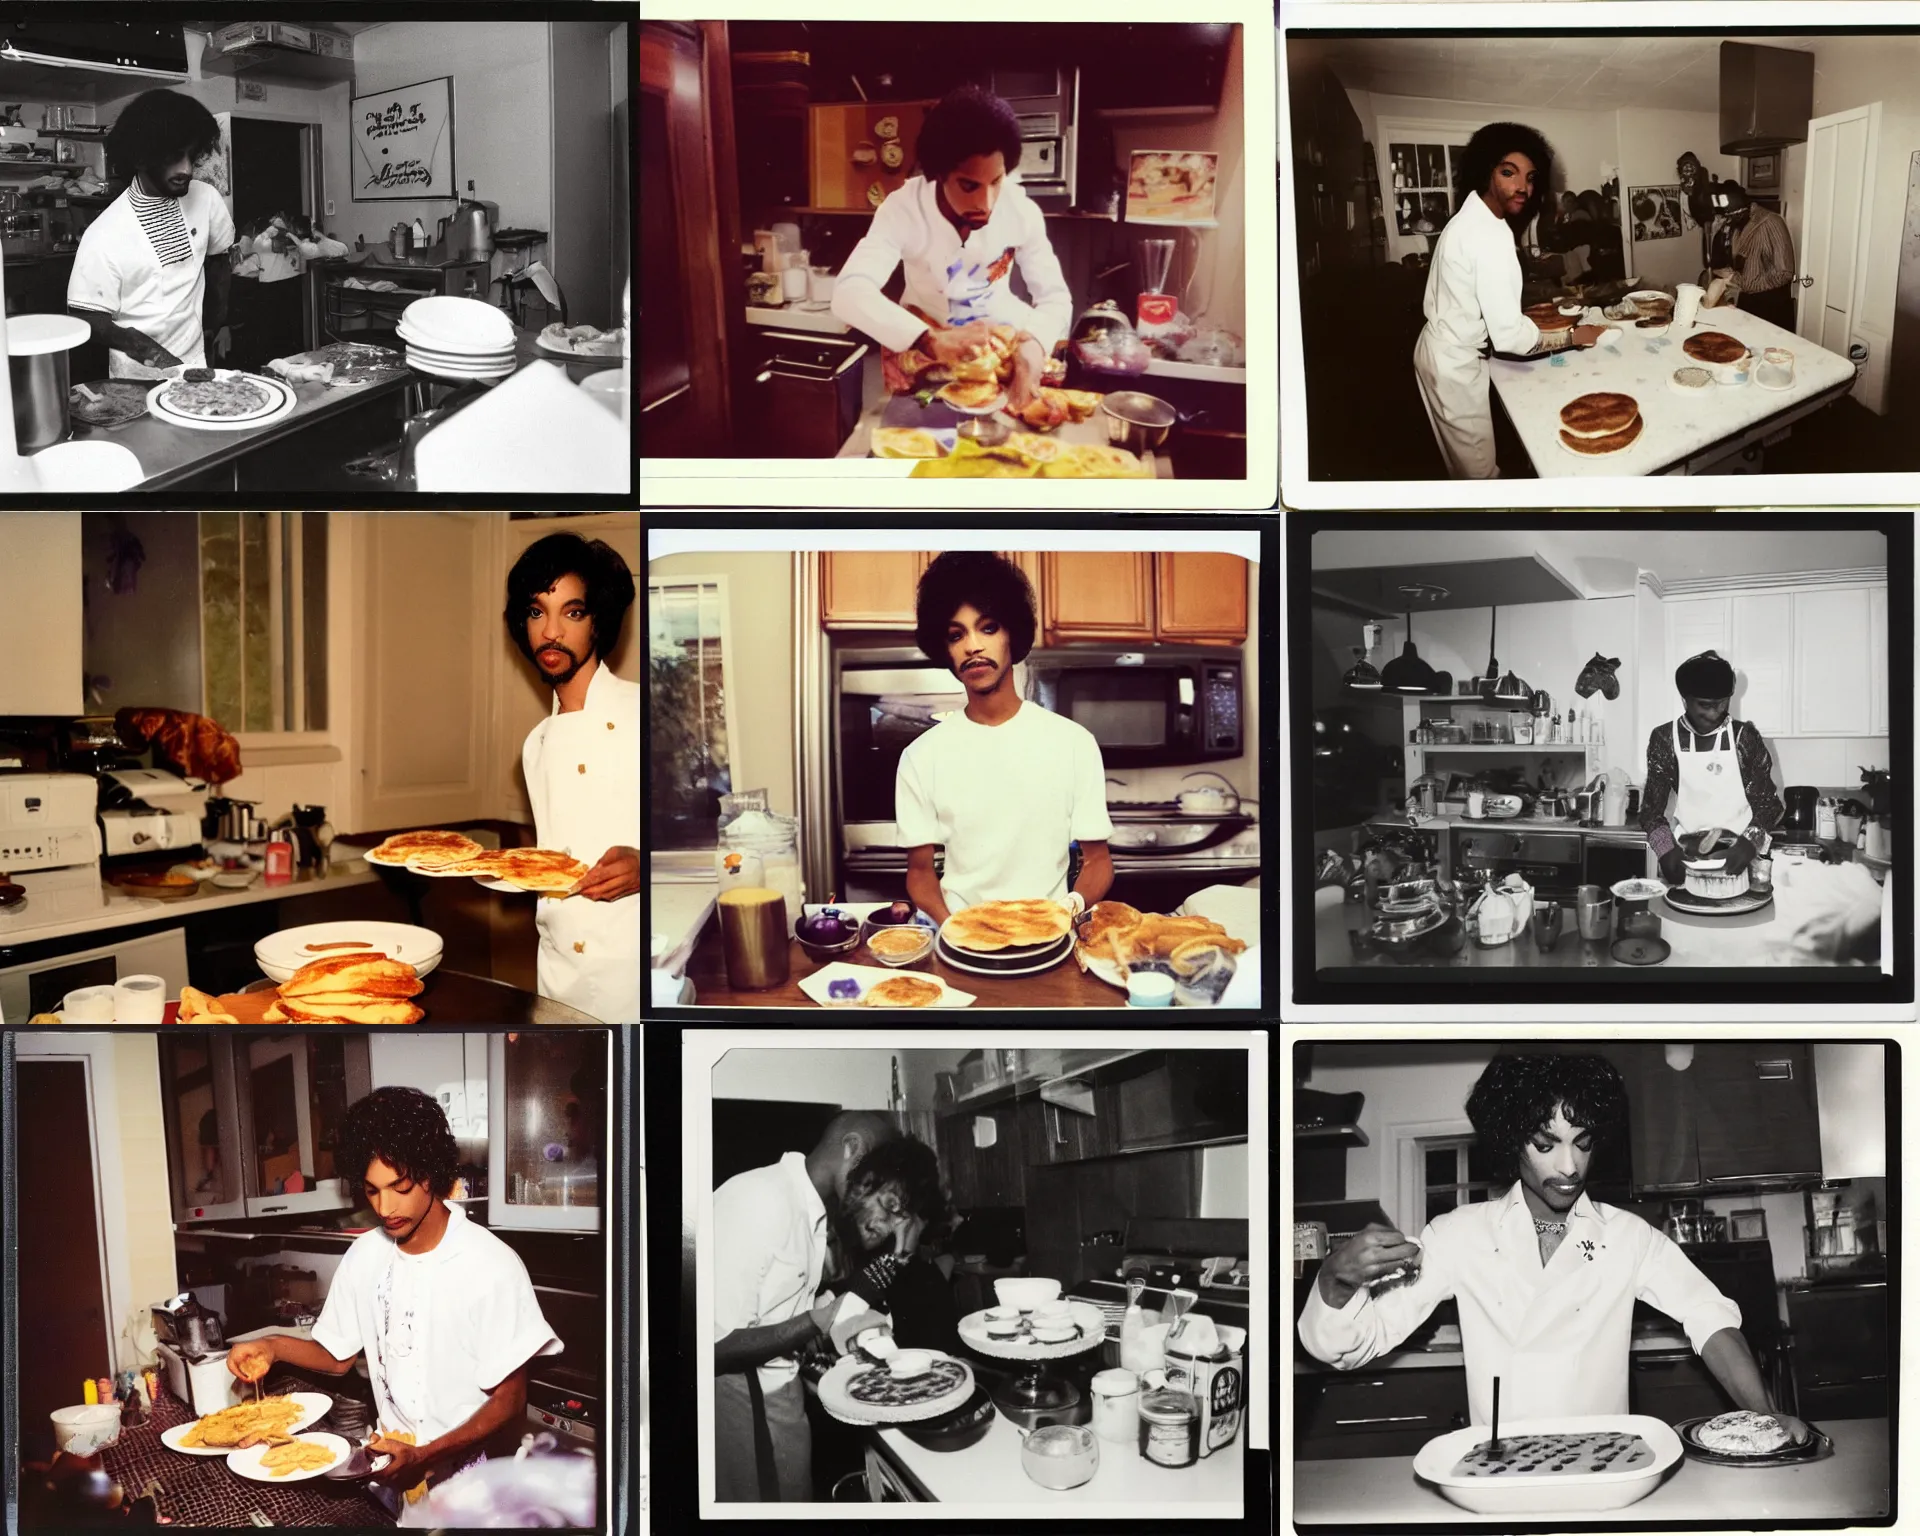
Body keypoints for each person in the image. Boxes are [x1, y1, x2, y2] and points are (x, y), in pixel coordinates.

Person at [1299, 1054, 1810, 1438]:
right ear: (1509, 1143)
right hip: (1500, 1476)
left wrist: (1767, 1417)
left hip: (1606, 1467)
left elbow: (1709, 1317)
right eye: (1545, 1145)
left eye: (1582, 1143)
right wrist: (1335, 1281)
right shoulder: (1458, 1235)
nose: (1569, 1167)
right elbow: (1352, 1347)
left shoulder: (1627, 1238)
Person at [225, 1087, 563, 1515]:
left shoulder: (490, 1264)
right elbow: (335, 1356)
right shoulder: (366, 1255)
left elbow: (510, 1401)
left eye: (399, 1187)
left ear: (430, 1174)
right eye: (371, 1191)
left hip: (472, 1488)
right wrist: (271, 1346)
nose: (385, 1208)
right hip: (391, 1471)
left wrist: (427, 1456)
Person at [897, 552, 1113, 924]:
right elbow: (919, 873)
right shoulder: (921, 757)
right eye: (956, 634)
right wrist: (952, 926)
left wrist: (1070, 908)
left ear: (1012, 632)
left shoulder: (1073, 743)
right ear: (945, 650)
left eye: (988, 627)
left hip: (1052, 938)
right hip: (960, 944)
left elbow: (1098, 862)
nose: (973, 646)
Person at [830, 83, 1073, 415]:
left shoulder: (1021, 210)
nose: (985, 203)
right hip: (924, 350)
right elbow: (848, 293)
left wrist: (1034, 343)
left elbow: (1055, 298)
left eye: (996, 182)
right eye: (969, 185)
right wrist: (931, 339)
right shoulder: (902, 208)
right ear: (938, 175)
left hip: (1000, 352)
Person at [712, 1112, 903, 1502]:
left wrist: (836, 1326)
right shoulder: (759, 1198)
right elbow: (712, 1346)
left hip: (783, 1398)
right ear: (851, 1148)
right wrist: (819, 1320)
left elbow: (774, 1314)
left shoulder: (811, 1214)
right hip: (744, 1406)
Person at [1413, 122, 1602, 478]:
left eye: (1530, 178)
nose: (1522, 187)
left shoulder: (1472, 216)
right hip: (1454, 363)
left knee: (1458, 464)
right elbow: (1510, 339)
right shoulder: (1489, 235)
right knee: (1479, 474)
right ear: (1485, 171)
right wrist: (1574, 337)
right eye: (1508, 173)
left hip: (1436, 349)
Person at [503, 534, 640, 1023]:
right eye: (538, 612)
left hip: (632, 974)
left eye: (572, 612)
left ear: (598, 620)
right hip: (557, 975)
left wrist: (648, 865)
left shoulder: (643, 712)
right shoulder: (535, 743)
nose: (552, 632)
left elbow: (709, 840)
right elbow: (551, 865)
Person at [68, 89, 234, 379]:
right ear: (141, 158)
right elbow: (85, 317)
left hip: (195, 362)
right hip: (137, 377)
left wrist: (219, 324)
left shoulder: (206, 200)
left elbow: (219, 261)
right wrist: (143, 347)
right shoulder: (104, 235)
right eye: (173, 157)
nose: (185, 169)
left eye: (191, 155)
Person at [1638, 649, 1784, 889]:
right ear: (1685, 700)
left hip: (1741, 858)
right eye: (1705, 705)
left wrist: (1749, 843)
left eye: (1722, 703)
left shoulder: (1744, 738)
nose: (1715, 713)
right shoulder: (1665, 739)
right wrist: (1665, 850)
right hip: (1687, 859)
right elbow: (1651, 810)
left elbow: (1769, 804)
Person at [1709, 182, 1797, 330]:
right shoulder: (1735, 225)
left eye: (1729, 216)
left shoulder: (1771, 222)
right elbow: (1725, 263)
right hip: (1747, 305)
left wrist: (1749, 284)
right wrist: (1716, 233)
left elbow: (1785, 272)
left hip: (1771, 308)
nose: (1727, 221)